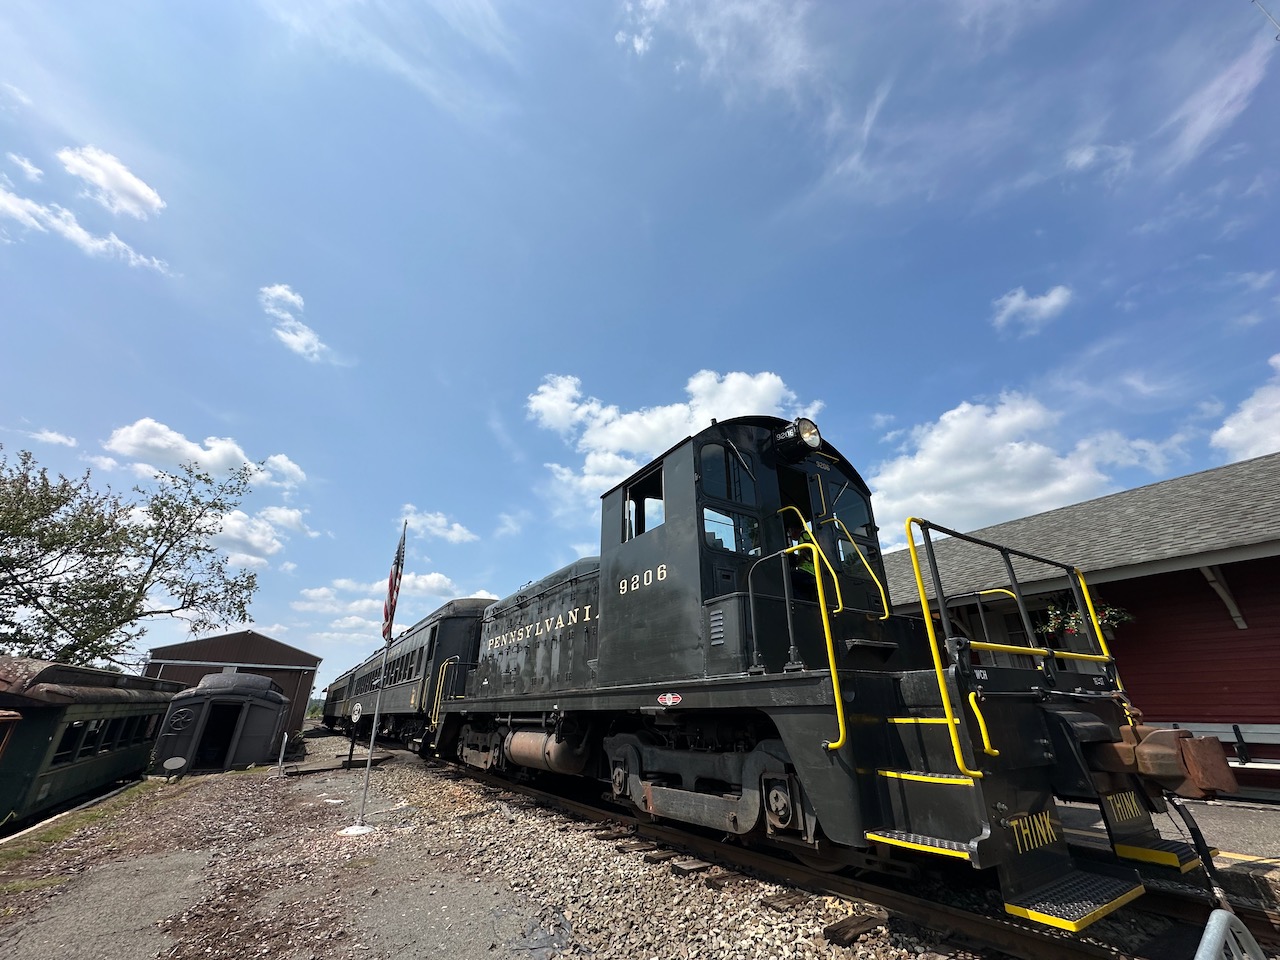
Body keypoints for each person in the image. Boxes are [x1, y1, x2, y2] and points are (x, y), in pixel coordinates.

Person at [786, 522, 818, 601]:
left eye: (790, 531)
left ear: (795, 530)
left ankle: (800, 601)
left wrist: (796, 561)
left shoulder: (804, 535)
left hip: (810, 570)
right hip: (808, 569)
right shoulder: (804, 536)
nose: (790, 534)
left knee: (788, 577)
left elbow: (806, 552)